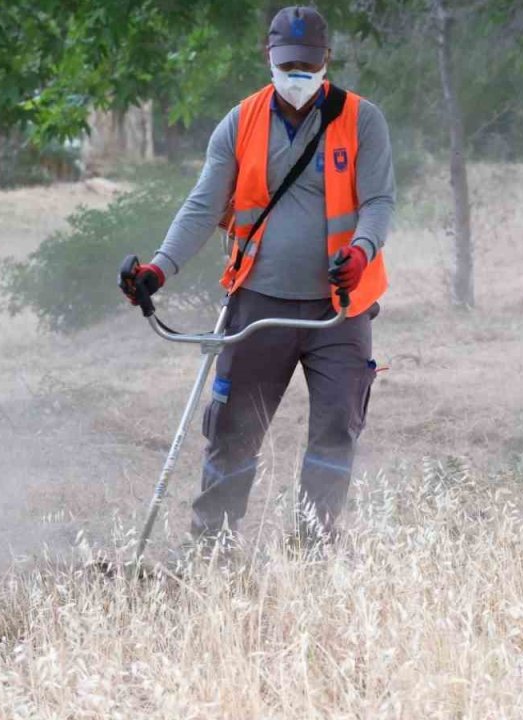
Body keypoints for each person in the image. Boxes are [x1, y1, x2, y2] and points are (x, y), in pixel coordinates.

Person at [119, 5, 395, 548]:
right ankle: (212, 547)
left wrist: (362, 252)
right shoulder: (240, 122)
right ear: (268, 57)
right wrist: (159, 268)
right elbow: (202, 206)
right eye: (288, 64)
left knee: (336, 429)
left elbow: (378, 202)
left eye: (307, 65)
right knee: (232, 432)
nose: (297, 75)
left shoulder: (362, 119)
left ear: (326, 60)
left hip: (339, 310)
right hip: (257, 306)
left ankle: (315, 548)